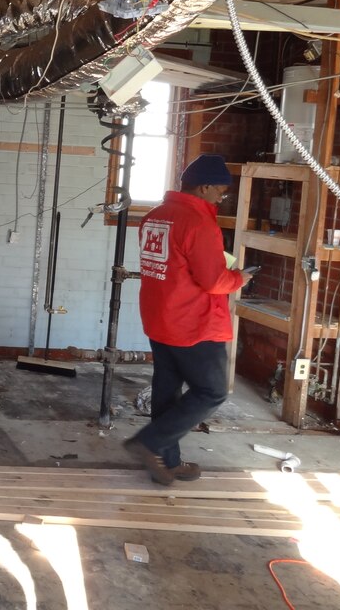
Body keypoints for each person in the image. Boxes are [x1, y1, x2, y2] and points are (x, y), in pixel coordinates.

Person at [127, 154, 254, 486]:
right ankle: (149, 443)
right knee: (211, 391)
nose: (222, 197)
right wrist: (240, 277)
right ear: (205, 186)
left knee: (166, 391)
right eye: (220, 190)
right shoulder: (198, 223)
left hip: (160, 317)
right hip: (193, 324)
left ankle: (165, 463)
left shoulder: (155, 216)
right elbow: (213, 281)